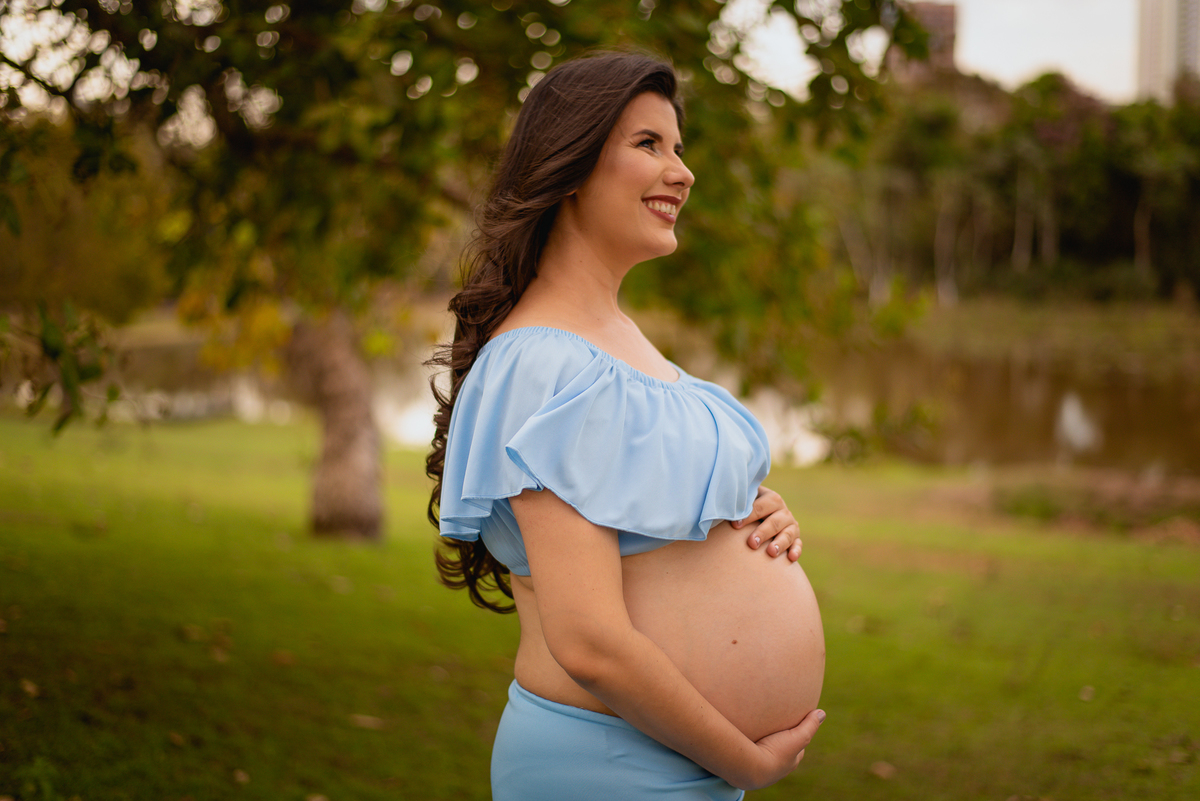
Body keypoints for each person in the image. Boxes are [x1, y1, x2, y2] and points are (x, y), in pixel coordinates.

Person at [426, 51, 826, 800]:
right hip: (610, 769)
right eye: (649, 145)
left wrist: (756, 513)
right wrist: (745, 761)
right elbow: (589, 640)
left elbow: (654, 511)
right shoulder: (540, 362)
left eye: (678, 147)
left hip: (671, 765)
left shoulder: (617, 340)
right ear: (571, 165)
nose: (683, 171)